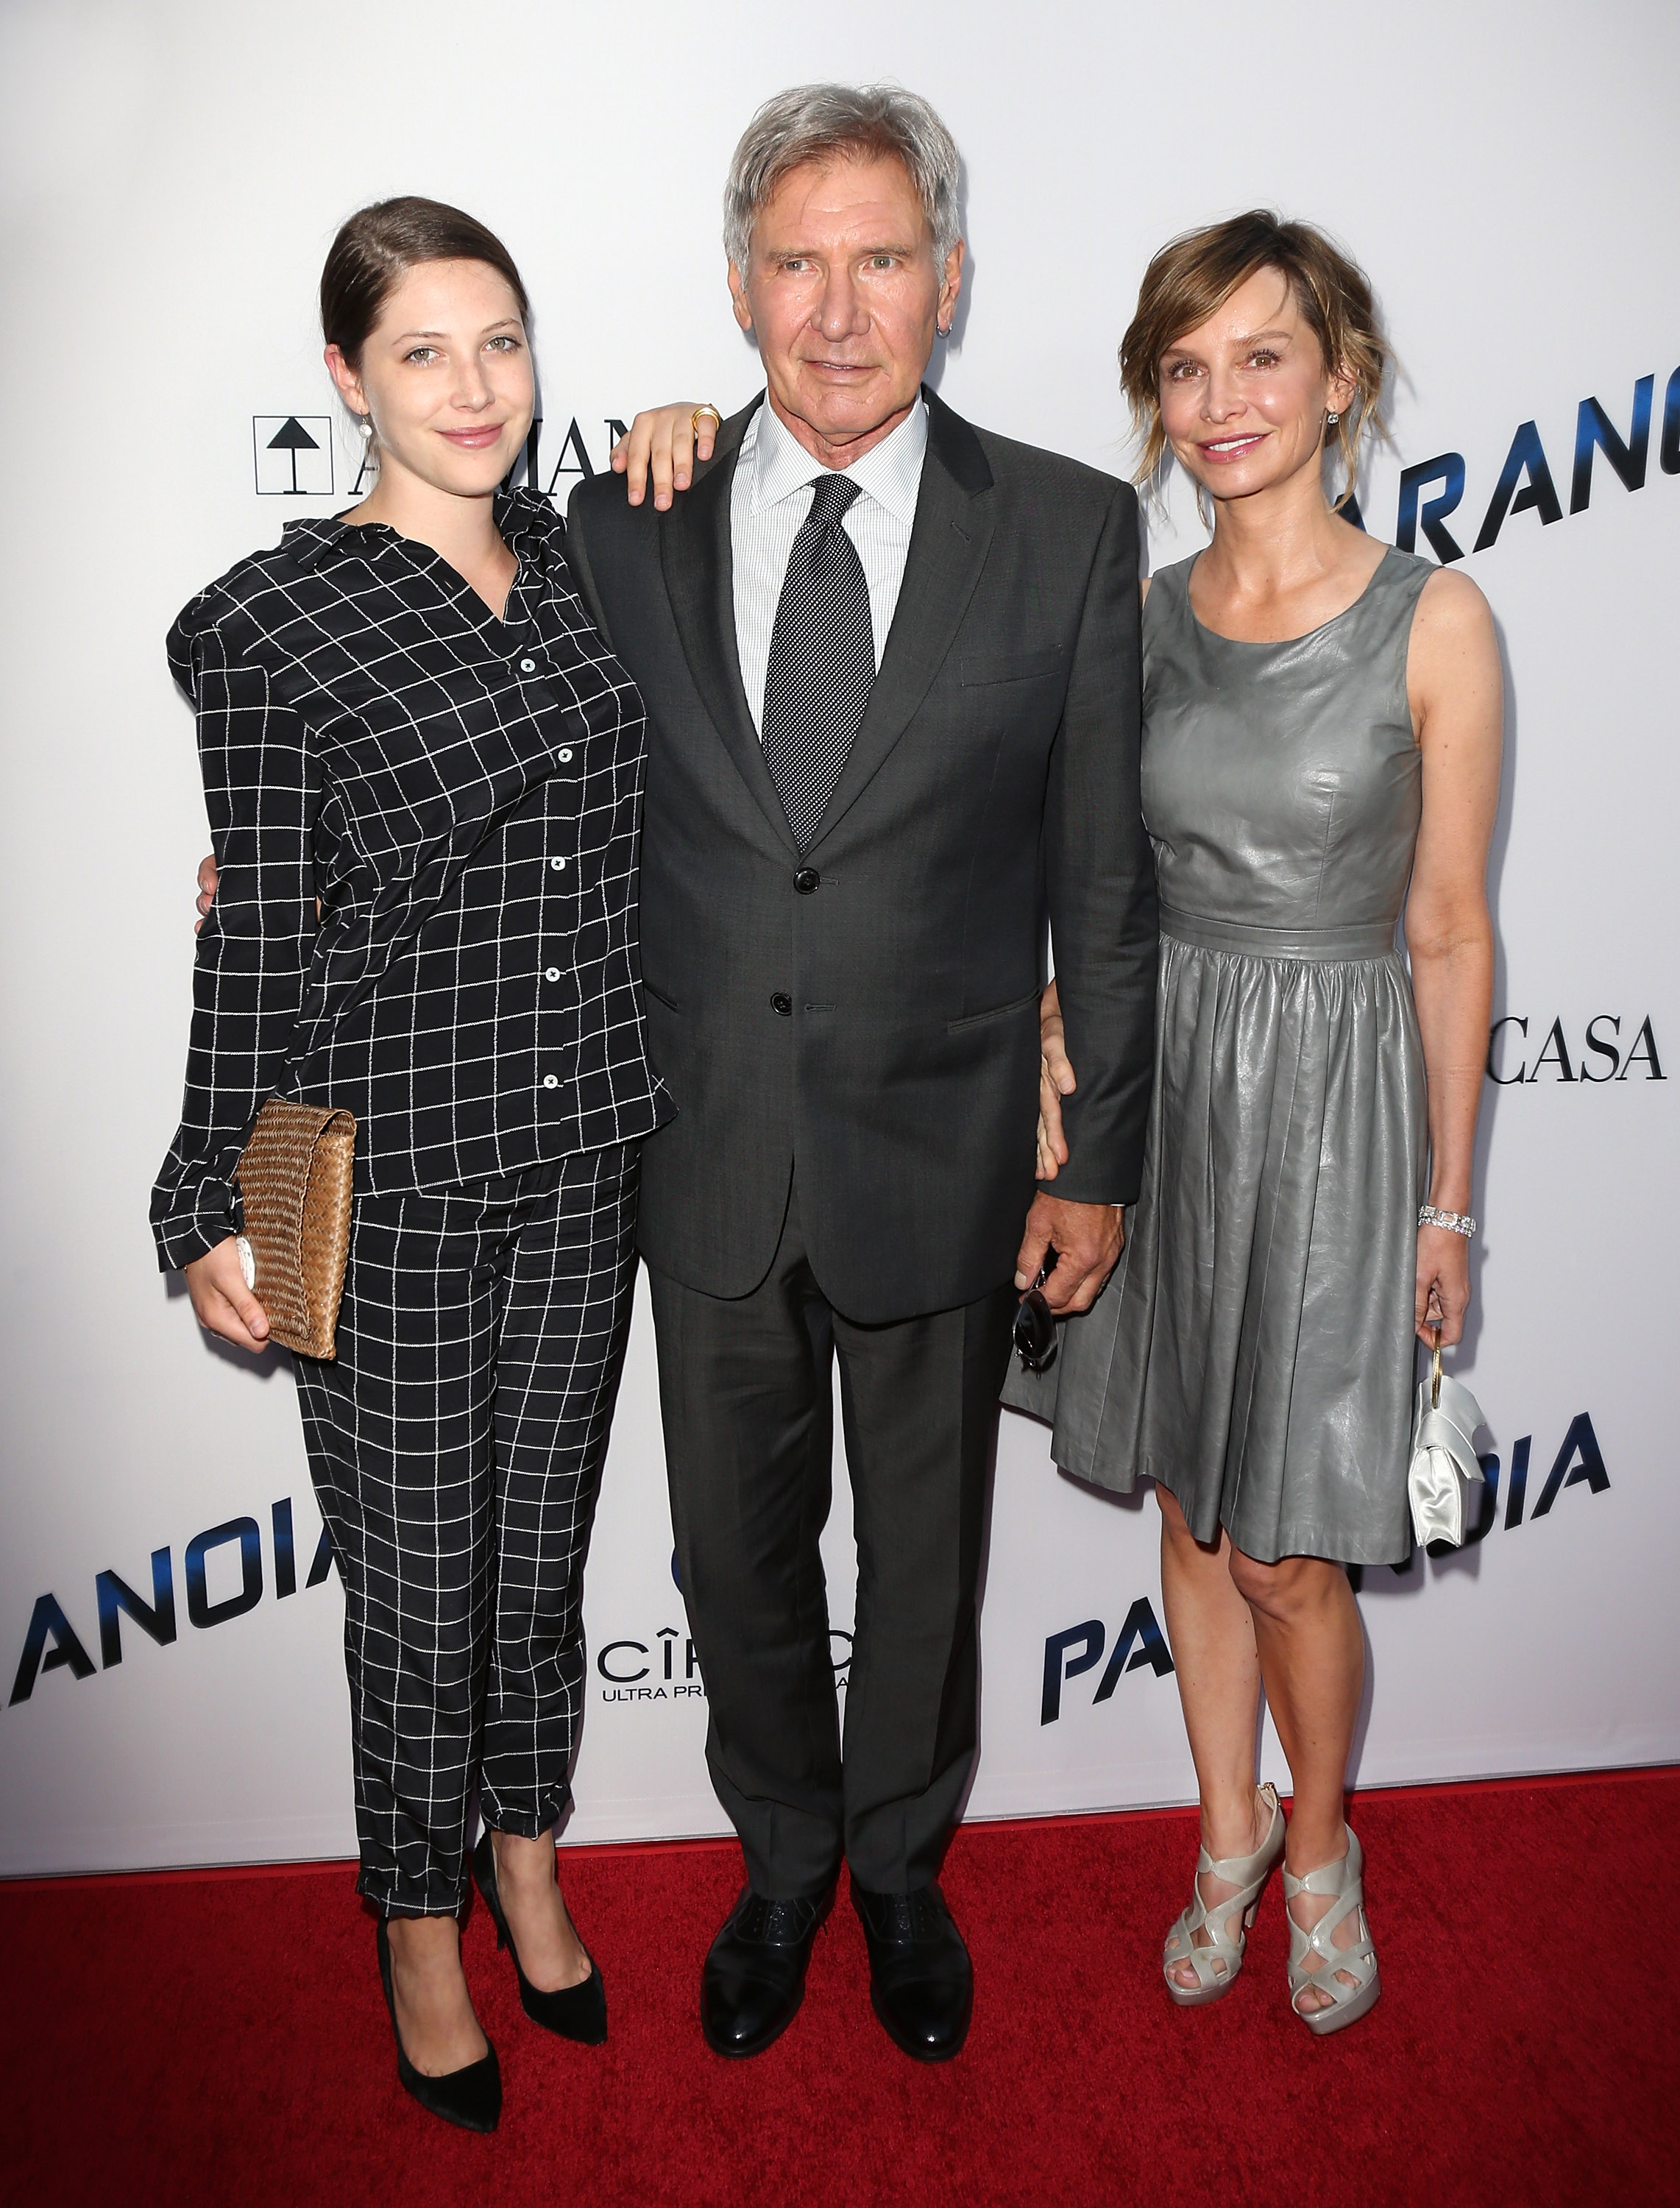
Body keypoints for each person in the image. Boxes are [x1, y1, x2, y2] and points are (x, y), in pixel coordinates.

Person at [565, 84, 1158, 2062]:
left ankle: (900, 1878)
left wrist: (1096, 1170)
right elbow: (509, 781)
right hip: (702, 1151)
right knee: (732, 1554)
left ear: (952, 282)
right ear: (739, 288)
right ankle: (783, 1865)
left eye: (880, 259)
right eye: (797, 262)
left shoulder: (1068, 529)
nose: (838, 309)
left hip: (952, 1148)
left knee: (923, 1558)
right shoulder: (618, 519)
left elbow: (1101, 874)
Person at [152, 198, 671, 2130]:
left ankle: (525, 1853)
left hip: (586, 1140)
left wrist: (694, 423)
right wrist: (207, 1192)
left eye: (502, 343)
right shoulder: (270, 623)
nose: (474, 389)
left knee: (538, 1569)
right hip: (364, 1168)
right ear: (347, 380)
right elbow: (257, 930)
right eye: (426, 352)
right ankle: (410, 1923)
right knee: (416, 1587)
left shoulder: (586, 560)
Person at [1017, 211, 1502, 2034]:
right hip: (1168, 1084)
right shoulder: (1133, 619)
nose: (1217, 399)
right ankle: (1220, 1833)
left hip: (1331, 1102)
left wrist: (1448, 1208)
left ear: (1339, 379)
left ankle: (1319, 1855)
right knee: (1190, 1506)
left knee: (1291, 1541)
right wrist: (1066, 1053)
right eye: (1182, 365)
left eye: (1259, 357)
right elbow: (1093, 882)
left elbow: (1446, 926)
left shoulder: (1430, 616)